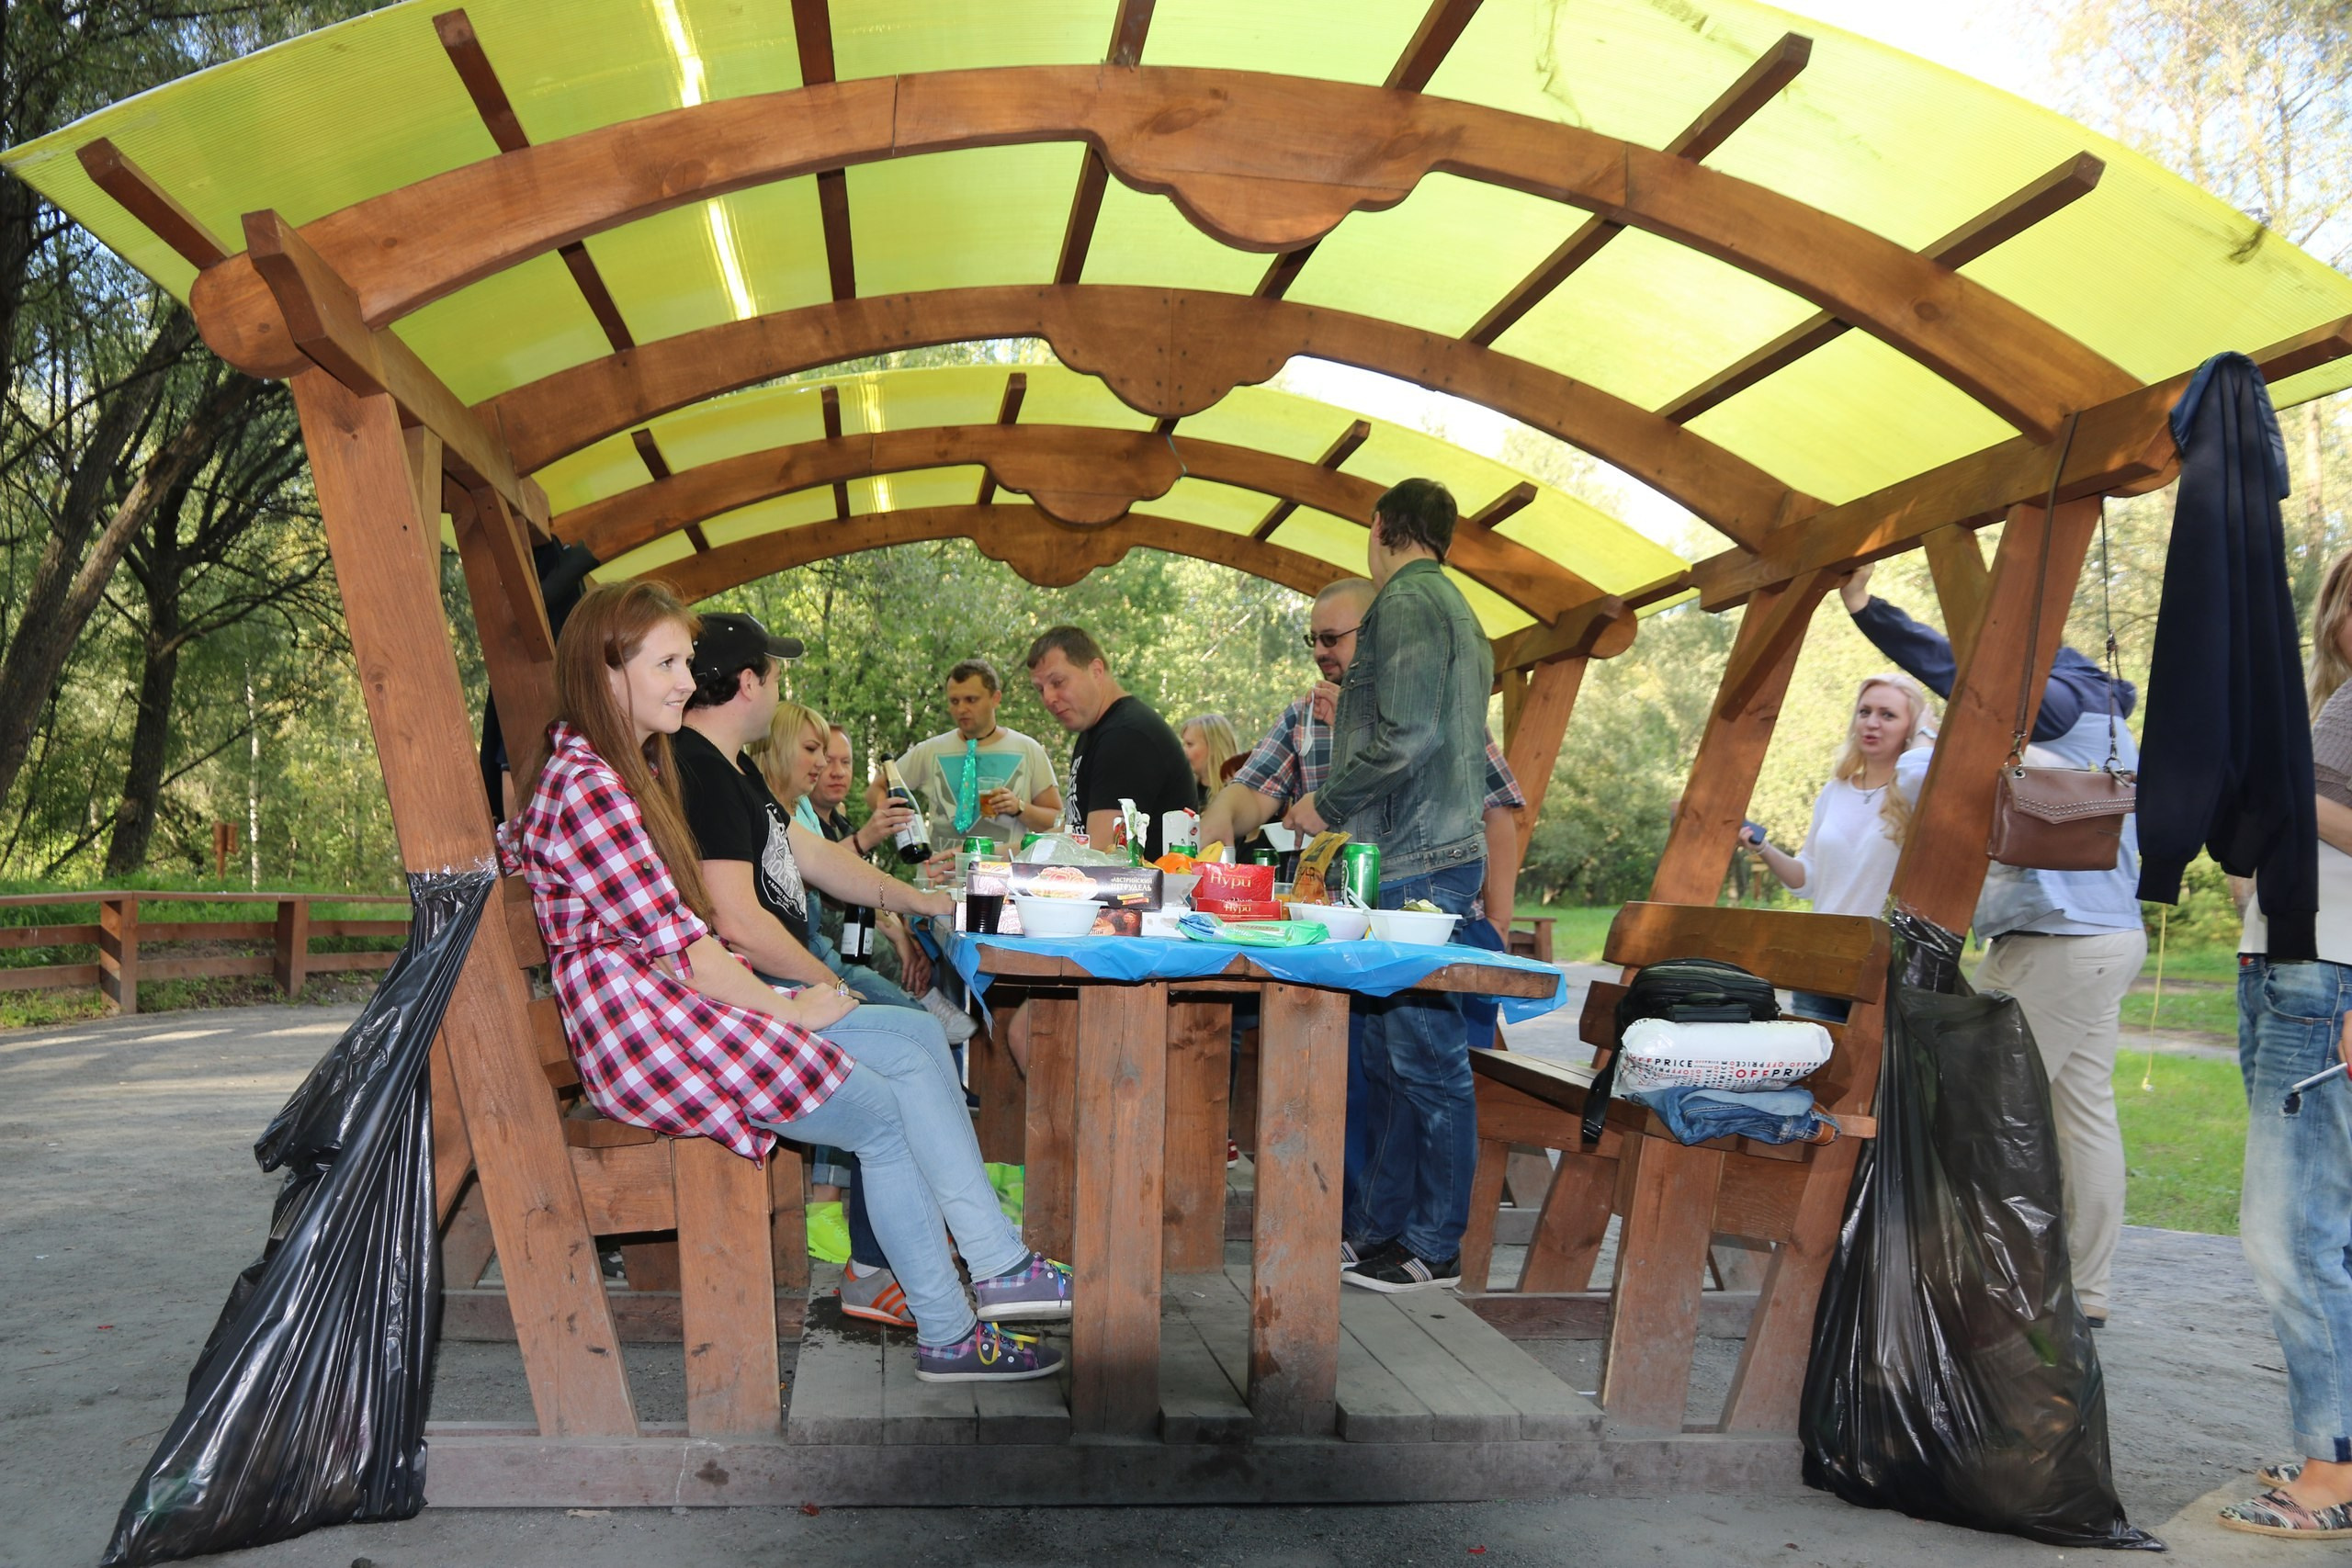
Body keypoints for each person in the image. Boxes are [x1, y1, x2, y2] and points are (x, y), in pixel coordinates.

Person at [501, 581, 1069, 1381]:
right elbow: (682, 946)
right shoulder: (592, 781)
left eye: (687, 662)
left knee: (909, 1052)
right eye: (666, 664)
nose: (685, 680)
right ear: (606, 671)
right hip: (649, 1033)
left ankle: (983, 1283)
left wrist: (821, 976)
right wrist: (789, 1005)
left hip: (671, 1009)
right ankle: (959, 1312)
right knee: (889, 1100)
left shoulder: (614, 765)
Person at [1839, 562, 2144, 1326]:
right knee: (2082, 1115)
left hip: (2060, 938)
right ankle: (2088, 1289)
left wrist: (1867, 608)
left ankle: (1978, 1281)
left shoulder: (2055, 703)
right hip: (2106, 935)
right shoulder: (2102, 712)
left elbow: (1953, 672)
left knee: (1977, 1102)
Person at [672, 617, 988, 1325]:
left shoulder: (731, 767)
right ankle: (931, 1267)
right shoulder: (698, 769)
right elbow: (737, 923)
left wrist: (921, 899)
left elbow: (815, 858)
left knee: (915, 1045)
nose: (779, 689)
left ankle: (946, 1262)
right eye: (775, 675)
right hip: (750, 1002)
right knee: (912, 1050)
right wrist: (832, 984)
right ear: (747, 682)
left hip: (773, 989)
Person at [1284, 479, 1494, 1294]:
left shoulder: (1404, 602)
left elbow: (1409, 734)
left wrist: (1326, 802)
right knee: (1388, 1052)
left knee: (1428, 1059)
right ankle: (1380, 1229)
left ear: (1378, 527)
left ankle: (1436, 1245)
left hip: (1419, 858)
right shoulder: (1461, 610)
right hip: (1417, 853)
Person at [1199, 575, 1532, 1046]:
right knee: (1346, 1073)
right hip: (1332, 938)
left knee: (1429, 1067)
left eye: (1332, 638)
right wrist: (1222, 812)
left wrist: (1498, 921)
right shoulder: (1303, 717)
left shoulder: (1430, 711)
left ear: (1376, 634)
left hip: (1428, 927)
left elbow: (1497, 810)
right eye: (1314, 640)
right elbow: (1253, 795)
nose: (1320, 651)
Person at [2217, 547, 2352, 1540]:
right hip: (2287, 963)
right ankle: (2335, 1442)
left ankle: (2334, 1470)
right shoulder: (2333, 702)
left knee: (2290, 1234)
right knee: (2321, 1231)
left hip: (2330, 976)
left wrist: (2280, 791)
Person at [756, 703, 974, 1045]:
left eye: (843, 761)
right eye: (814, 751)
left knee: (927, 1023)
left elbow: (847, 877)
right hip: (800, 961)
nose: (825, 766)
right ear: (777, 748)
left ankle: (925, 1009)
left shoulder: (804, 808)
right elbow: (815, 876)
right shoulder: (761, 809)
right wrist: (865, 841)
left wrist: (908, 916)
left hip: (821, 951)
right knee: (921, 1029)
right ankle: (923, 1005)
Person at [1738, 666, 1936, 1021]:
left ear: (1911, 727)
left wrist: (1926, 729)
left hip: (1886, 966)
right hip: (1821, 958)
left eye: (1888, 715)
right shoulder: (1834, 790)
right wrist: (1762, 848)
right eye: (1865, 711)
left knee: (1871, 1060)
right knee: (1815, 1056)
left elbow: (1921, 774)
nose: (1871, 723)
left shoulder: (1918, 792)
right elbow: (1807, 880)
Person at [1026, 625, 1197, 861]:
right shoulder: (1096, 732)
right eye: (1040, 689)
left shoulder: (1125, 736)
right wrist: (997, 854)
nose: (1048, 698)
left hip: (1145, 885)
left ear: (1096, 671)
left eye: (1057, 682)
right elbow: (1075, 830)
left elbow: (1100, 852)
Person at [806, 722, 929, 997]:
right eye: (828, 761)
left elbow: (867, 885)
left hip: (855, 955)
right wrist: (866, 838)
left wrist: (900, 930)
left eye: (846, 762)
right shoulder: (799, 824)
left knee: (925, 945)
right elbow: (824, 880)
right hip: (827, 962)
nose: (838, 772)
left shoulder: (840, 823)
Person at [899, 658, 1064, 852]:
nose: (961, 709)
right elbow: (880, 789)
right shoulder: (930, 750)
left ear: (996, 698)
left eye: (971, 700)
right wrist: (910, 831)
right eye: (954, 701)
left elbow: (1057, 823)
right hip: (939, 868)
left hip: (1001, 868)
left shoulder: (1028, 749)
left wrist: (1019, 807)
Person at [1179, 713, 1242, 806]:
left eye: (1189, 744)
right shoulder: (1185, 791)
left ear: (1214, 747)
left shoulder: (1240, 794)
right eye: (1183, 744)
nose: (1183, 750)